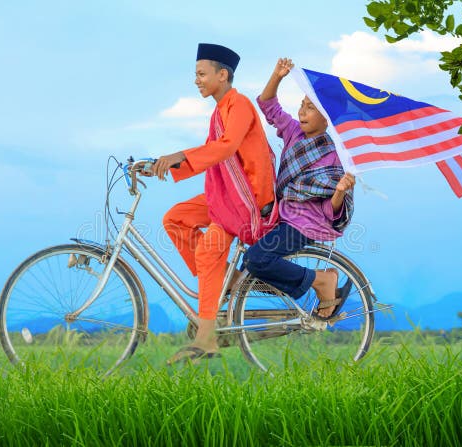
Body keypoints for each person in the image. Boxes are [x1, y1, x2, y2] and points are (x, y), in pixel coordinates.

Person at [151, 43, 277, 363]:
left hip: (246, 199)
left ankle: (206, 338)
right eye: (196, 75)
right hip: (225, 195)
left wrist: (179, 156)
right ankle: (229, 279)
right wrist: (156, 165)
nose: (197, 80)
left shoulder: (241, 105)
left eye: (202, 74)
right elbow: (213, 156)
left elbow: (225, 147)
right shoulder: (219, 110)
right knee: (175, 218)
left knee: (208, 250)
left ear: (223, 75)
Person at [243, 58, 355, 320]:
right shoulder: (294, 132)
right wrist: (277, 76)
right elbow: (268, 106)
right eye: (301, 106)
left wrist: (339, 192)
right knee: (249, 269)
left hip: (306, 225)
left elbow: (332, 210)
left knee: (256, 260)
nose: (302, 113)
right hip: (282, 217)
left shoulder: (335, 155)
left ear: (326, 117)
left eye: (310, 108)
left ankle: (322, 282)